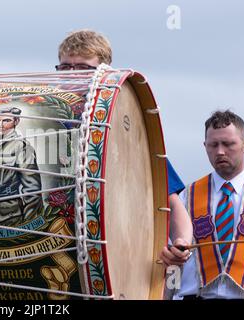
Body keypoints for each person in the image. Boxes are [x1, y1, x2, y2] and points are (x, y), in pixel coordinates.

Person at [57, 29, 192, 253]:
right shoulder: (43, 118)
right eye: (65, 67)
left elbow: (169, 201)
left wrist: (181, 243)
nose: (71, 75)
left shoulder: (123, 122)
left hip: (112, 251)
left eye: (81, 68)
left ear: (105, 72)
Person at [170, 110, 244, 299]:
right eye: (213, 145)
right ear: (205, 146)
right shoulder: (186, 197)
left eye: (228, 144)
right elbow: (170, 262)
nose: (220, 151)